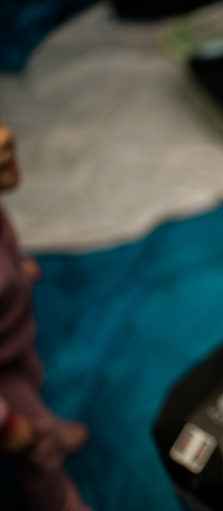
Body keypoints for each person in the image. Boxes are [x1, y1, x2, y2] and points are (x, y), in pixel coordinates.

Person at [0, 122, 92, 511]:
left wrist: (16, 269)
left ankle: (45, 421)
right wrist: (6, 423)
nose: (5, 136)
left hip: (13, 342)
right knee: (36, 445)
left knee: (32, 379)